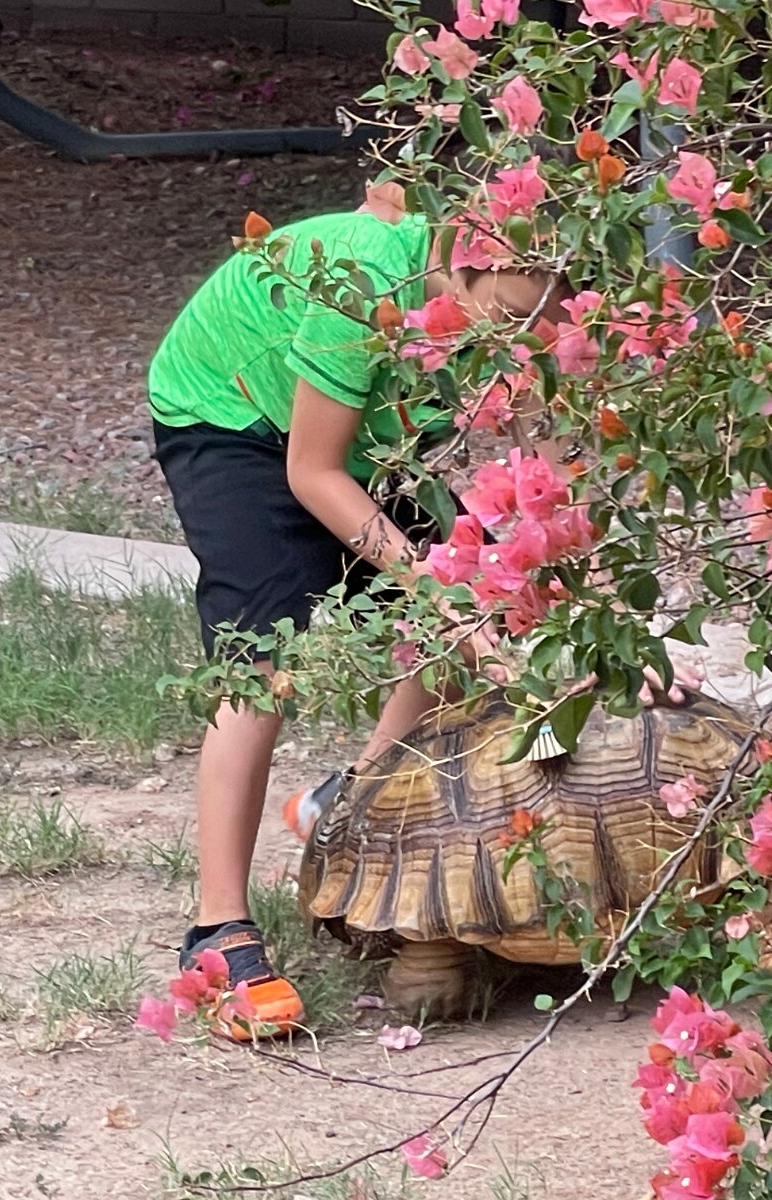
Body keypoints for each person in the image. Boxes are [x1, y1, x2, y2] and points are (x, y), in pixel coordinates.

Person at [149, 202, 564, 1037]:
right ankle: (217, 930)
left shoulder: (500, 315)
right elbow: (313, 473)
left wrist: (540, 581)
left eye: (538, 327)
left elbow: (541, 465)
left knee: (470, 604)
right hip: (234, 419)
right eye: (510, 320)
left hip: (362, 435)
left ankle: (348, 812)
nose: (518, 343)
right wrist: (441, 592)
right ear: (461, 265)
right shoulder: (366, 286)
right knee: (263, 658)